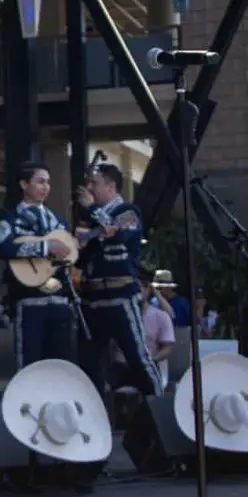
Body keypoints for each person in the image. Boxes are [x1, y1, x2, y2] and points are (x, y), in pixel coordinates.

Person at [75, 163, 163, 397]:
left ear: (111, 186)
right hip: (93, 297)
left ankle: (159, 405)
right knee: (90, 363)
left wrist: (92, 209)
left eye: (95, 183)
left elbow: (118, 232)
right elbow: (81, 258)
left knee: (136, 355)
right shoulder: (92, 220)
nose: (90, 188)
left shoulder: (128, 211)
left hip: (120, 294)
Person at [0, 162, 73, 369]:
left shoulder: (57, 220)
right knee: (28, 361)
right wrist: (45, 247)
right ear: (24, 184)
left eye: (48, 182)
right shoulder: (11, 217)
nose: (45, 187)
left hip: (58, 300)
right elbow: (5, 248)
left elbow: (68, 254)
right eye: (40, 182)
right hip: (28, 299)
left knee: (61, 363)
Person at [111, 267, 175, 390]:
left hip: (148, 365)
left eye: (143, 286)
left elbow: (167, 349)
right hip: (122, 368)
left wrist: (151, 360)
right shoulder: (118, 315)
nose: (139, 290)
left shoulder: (161, 316)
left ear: (149, 289)